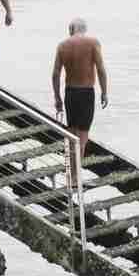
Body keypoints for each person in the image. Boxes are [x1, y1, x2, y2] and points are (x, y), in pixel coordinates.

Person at [52, 17, 108, 186]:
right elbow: (100, 69)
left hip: (70, 93)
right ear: (84, 29)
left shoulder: (62, 46)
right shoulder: (92, 43)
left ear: (71, 29)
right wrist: (104, 92)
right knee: (82, 138)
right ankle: (76, 179)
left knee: (72, 135)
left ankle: (71, 176)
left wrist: (57, 98)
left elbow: (55, 74)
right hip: (86, 93)